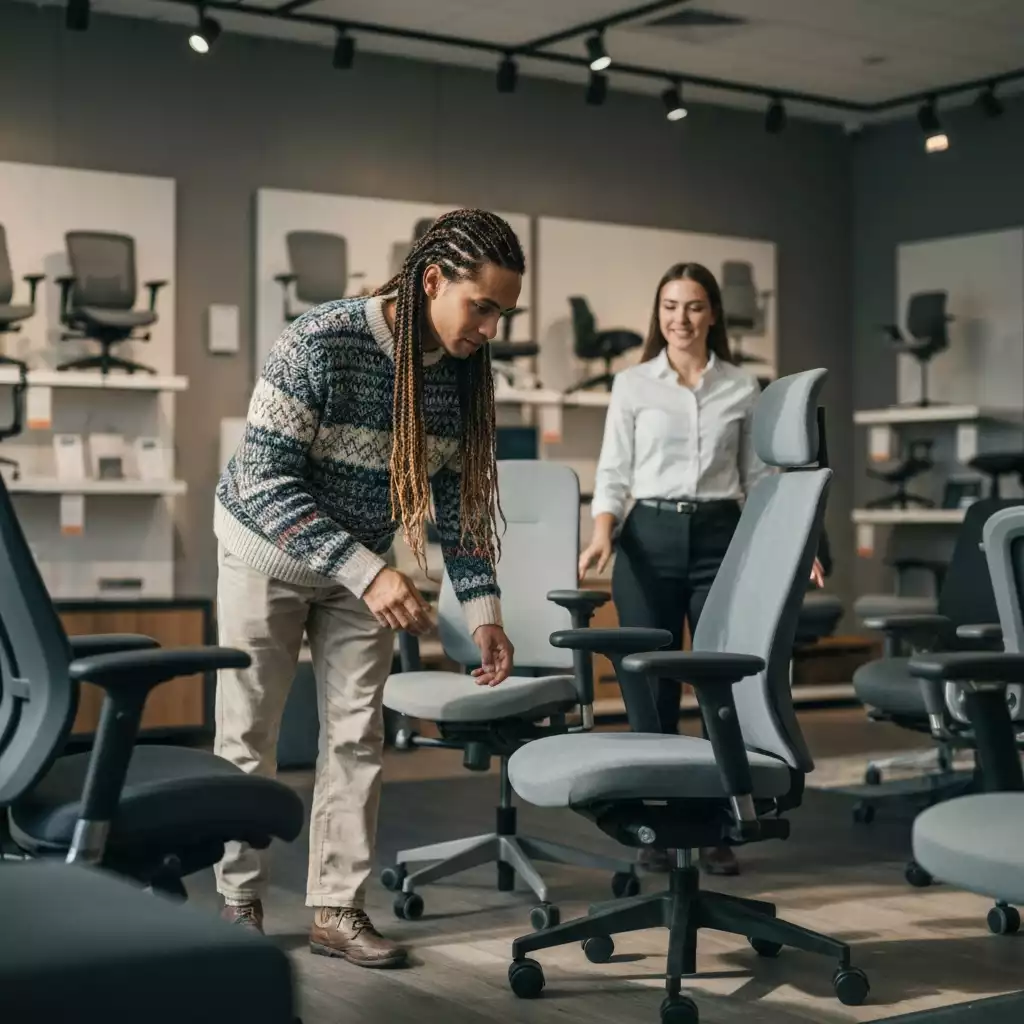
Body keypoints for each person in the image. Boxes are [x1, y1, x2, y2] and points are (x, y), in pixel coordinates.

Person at [211, 209, 523, 967]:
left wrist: (483, 611)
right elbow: (264, 482)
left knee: (357, 735)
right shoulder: (322, 340)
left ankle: (336, 908)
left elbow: (463, 507)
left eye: (502, 314)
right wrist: (370, 570)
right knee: (250, 737)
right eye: (480, 306)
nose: (490, 327)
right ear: (432, 281)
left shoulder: (460, 376)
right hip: (268, 554)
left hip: (360, 567)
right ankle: (237, 900)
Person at [578, 262, 823, 877]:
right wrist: (602, 532)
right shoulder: (633, 384)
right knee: (650, 684)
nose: (679, 319)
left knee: (724, 684)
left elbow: (759, 480)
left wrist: (798, 542)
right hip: (648, 539)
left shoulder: (744, 386)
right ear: (656, 314)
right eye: (668, 306)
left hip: (721, 535)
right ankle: (653, 826)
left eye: (691, 306)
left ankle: (722, 820)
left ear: (712, 312)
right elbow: (613, 471)